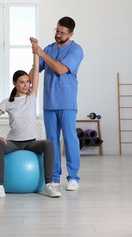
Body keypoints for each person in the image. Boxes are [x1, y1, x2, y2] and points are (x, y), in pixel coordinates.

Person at [0, 40, 61, 200]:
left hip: (31, 143)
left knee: (48, 144)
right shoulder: (7, 102)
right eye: (22, 82)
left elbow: (36, 70)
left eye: (28, 82)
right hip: (14, 143)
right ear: (15, 83)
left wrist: (35, 51)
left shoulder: (31, 97)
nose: (26, 85)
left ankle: (48, 185)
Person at [30, 16, 84, 191]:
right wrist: (34, 55)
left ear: (71, 33)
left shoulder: (76, 50)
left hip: (67, 103)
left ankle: (73, 177)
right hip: (49, 103)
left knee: (70, 140)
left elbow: (60, 69)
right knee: (52, 141)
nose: (58, 35)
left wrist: (41, 53)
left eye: (62, 33)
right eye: (57, 31)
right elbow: (36, 69)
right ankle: (54, 177)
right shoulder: (49, 49)